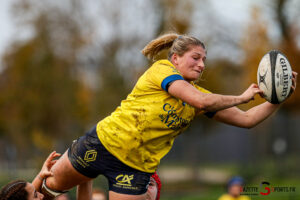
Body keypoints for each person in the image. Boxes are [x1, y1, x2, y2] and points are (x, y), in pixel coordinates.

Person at [41, 33, 297, 200]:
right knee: (45, 190)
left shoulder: (199, 97)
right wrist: (241, 97)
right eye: (195, 58)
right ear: (175, 58)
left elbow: (247, 119)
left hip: (134, 168)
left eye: (204, 60)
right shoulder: (162, 70)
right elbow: (201, 100)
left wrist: (278, 96)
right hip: (104, 142)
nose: (201, 64)